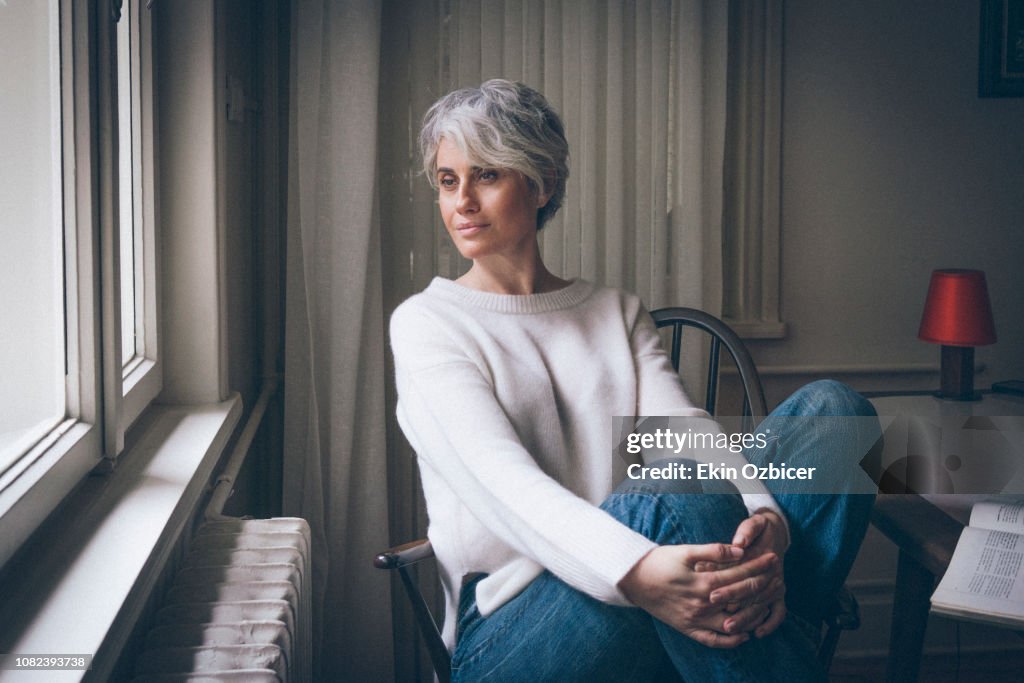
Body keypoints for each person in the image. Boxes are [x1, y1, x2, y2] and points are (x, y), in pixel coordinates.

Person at [389, 79, 878, 681]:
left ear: (540, 183)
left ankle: (742, 617)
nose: (461, 200)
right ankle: (759, 629)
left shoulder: (614, 312)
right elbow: (506, 487)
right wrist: (641, 571)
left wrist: (765, 516)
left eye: (486, 175)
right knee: (671, 494)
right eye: (447, 180)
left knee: (836, 413)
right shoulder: (427, 324)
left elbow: (684, 433)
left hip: (669, 578)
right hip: (512, 633)